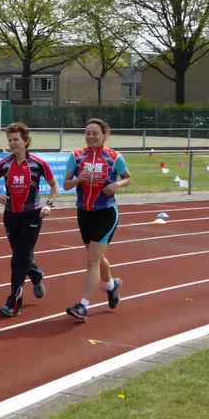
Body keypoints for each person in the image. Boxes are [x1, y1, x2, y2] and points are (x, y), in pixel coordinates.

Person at [0, 122, 59, 317]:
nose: (12, 143)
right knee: (21, 256)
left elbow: (54, 186)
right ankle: (36, 274)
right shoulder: (4, 164)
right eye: (9, 140)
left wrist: (48, 205)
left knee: (18, 260)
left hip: (32, 215)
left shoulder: (38, 164)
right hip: (10, 216)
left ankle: (14, 303)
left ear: (26, 141)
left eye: (16, 139)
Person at [64, 118, 132, 322]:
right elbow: (66, 184)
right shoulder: (76, 157)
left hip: (106, 213)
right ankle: (112, 286)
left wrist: (116, 185)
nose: (91, 137)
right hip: (84, 213)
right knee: (97, 256)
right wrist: (78, 179)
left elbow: (128, 177)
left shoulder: (114, 157)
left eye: (95, 133)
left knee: (92, 260)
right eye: (88, 133)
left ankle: (83, 306)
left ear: (104, 135)